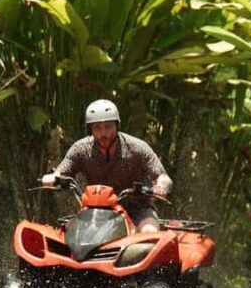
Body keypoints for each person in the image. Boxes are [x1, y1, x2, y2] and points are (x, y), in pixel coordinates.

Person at [42, 99, 173, 232]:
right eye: (97, 128)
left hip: (137, 210)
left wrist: (161, 186)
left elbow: (162, 176)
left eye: (108, 127)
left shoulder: (137, 147)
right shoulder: (80, 149)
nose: (103, 133)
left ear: (117, 126)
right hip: (96, 212)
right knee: (69, 233)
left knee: (149, 232)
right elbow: (62, 171)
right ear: (90, 129)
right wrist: (53, 178)